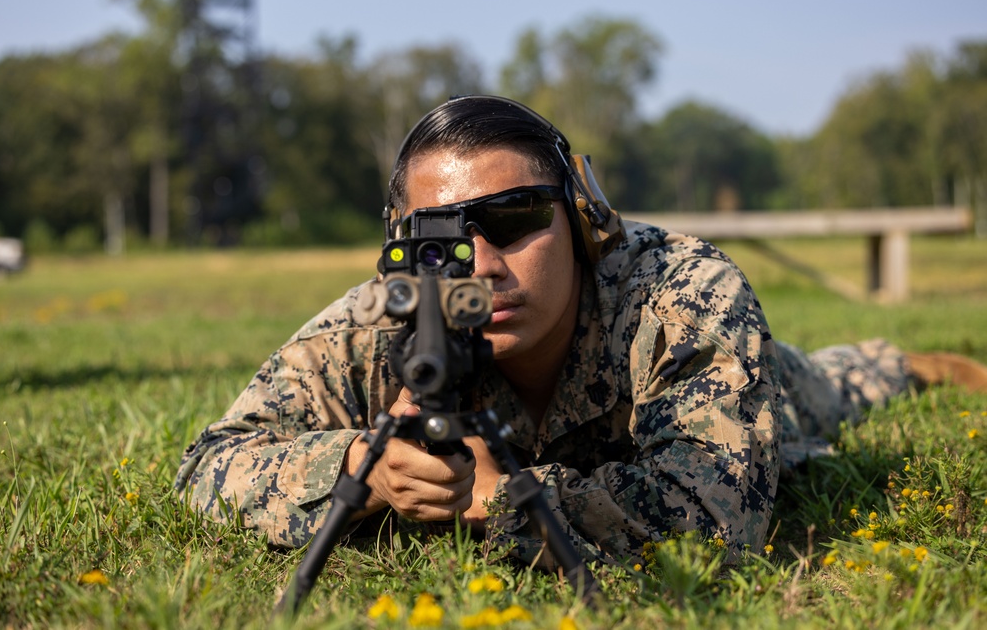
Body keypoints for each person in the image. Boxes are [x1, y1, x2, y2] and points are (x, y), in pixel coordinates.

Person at [175, 95, 987, 570]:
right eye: (440, 240)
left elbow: (717, 518)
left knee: (822, 388)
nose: (480, 265)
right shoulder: (376, 323)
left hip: (761, 381)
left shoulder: (679, 291)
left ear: (583, 220)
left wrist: (494, 502)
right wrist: (359, 469)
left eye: (516, 218)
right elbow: (206, 465)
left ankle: (905, 362)